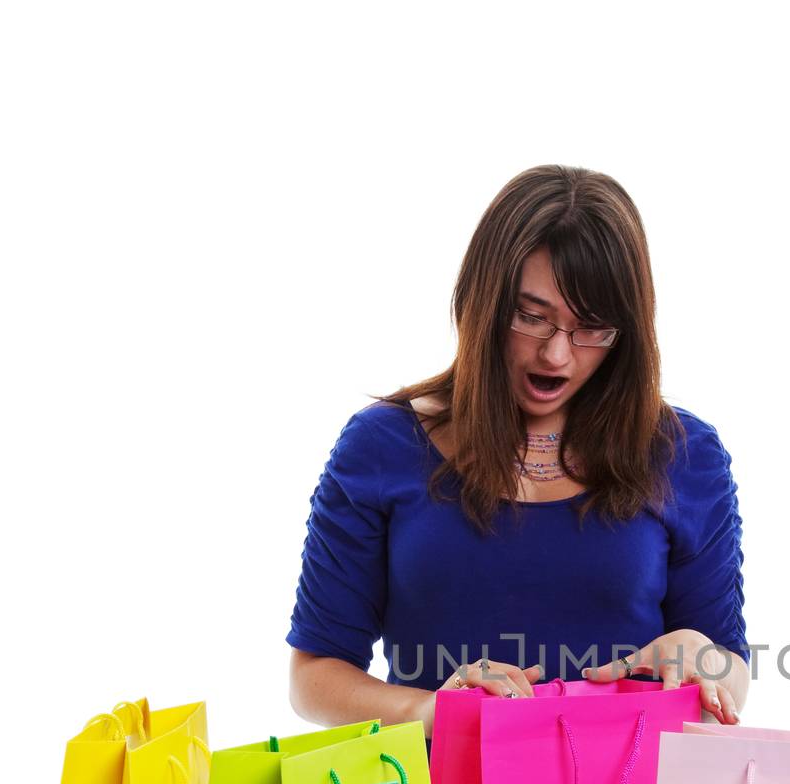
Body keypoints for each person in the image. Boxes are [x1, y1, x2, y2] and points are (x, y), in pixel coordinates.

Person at [286, 164, 749, 736]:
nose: (557, 355)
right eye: (532, 317)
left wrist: (700, 654)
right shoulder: (381, 447)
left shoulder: (685, 455)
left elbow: (729, 672)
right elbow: (313, 675)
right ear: (483, 302)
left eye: (592, 329)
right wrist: (432, 711)